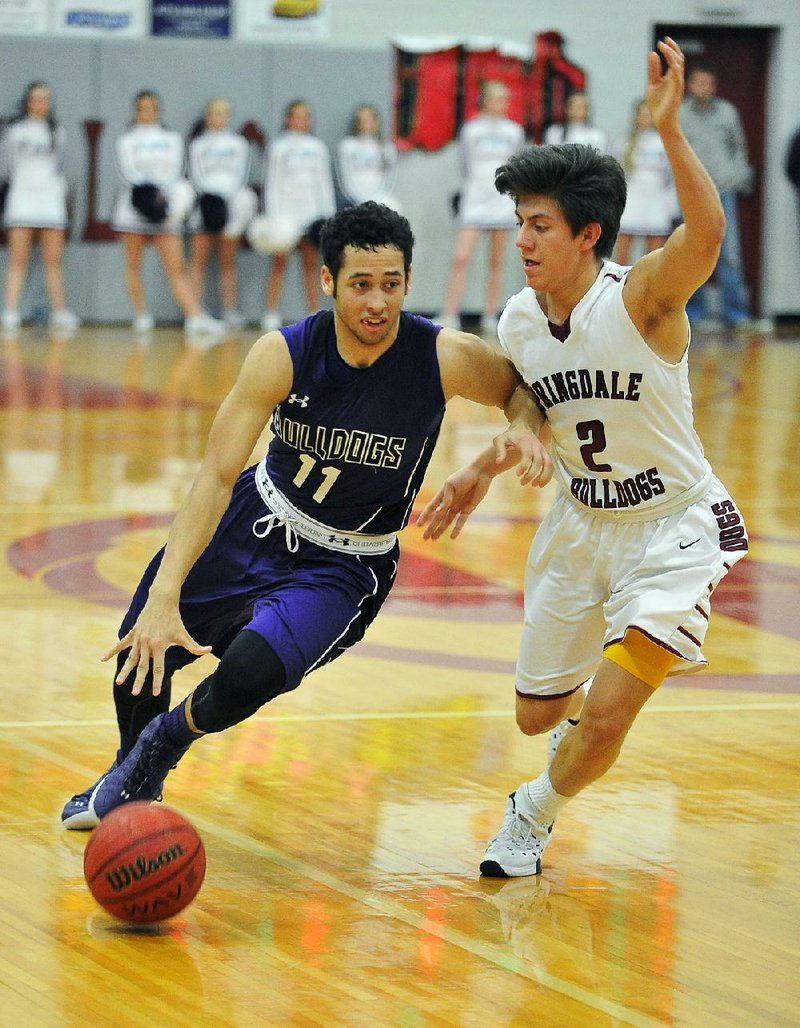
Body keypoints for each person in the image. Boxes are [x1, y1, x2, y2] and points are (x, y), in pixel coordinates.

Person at [59, 200, 552, 830]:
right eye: (361, 285)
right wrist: (164, 591)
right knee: (141, 654)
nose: (378, 302)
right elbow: (214, 476)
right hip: (256, 516)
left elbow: (521, 390)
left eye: (392, 284)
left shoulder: (441, 355)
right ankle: (131, 784)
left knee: (247, 673)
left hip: (346, 562)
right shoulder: (283, 353)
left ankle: (161, 748)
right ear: (327, 281)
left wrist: (514, 440)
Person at [418, 38, 749, 877]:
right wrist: (492, 459)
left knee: (606, 715)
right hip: (580, 524)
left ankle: (532, 815)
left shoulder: (640, 298)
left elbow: (705, 234)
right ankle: (567, 743)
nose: (522, 240)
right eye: (518, 223)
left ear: (587, 233)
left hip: (673, 525)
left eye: (539, 226)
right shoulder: (520, 320)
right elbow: (535, 399)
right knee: (539, 716)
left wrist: (669, 134)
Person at [112, 90, 225, 341]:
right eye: (143, 107)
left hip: (164, 210)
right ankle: (141, 315)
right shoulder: (126, 140)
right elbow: (126, 172)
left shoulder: (172, 139)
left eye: (153, 106)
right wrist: (145, 196)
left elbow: (177, 170)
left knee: (177, 266)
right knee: (133, 265)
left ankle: (195, 316)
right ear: (136, 111)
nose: (148, 111)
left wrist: (164, 199)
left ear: (158, 109)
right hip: (134, 209)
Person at [436, 81, 525, 336]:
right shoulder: (471, 130)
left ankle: (489, 314)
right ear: (484, 100)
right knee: (460, 258)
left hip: (502, 201)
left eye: (504, 99)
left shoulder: (514, 131)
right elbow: (463, 165)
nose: (500, 103)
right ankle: (450, 313)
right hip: (475, 200)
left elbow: (516, 165)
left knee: (496, 262)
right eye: (495, 98)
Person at [680, 63, 755, 331]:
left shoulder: (727, 113)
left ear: (714, 86)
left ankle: (736, 314)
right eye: (699, 82)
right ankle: (693, 313)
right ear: (689, 85)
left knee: (729, 254)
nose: (704, 88)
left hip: (722, 191)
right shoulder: (680, 114)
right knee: (691, 253)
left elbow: (739, 149)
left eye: (708, 83)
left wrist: (737, 176)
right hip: (690, 193)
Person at [0, 82, 80, 333]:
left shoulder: (57, 132)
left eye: (45, 98)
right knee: (18, 259)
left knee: (53, 260)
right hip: (22, 198)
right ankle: (10, 311)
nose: (40, 103)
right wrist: (25, 184)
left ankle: (59, 311)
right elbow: (6, 167)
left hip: (50, 201)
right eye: (35, 98)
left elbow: (57, 165)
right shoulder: (14, 131)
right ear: (27, 101)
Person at [260, 99, 336, 332]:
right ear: (288, 118)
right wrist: (275, 216)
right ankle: (271, 312)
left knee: (311, 263)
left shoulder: (317, 147)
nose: (301, 120)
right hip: (286, 214)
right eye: (296, 116)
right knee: (279, 263)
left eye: (305, 116)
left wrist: (328, 216)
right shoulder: (279, 147)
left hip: (311, 214)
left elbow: (324, 182)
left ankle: (313, 311)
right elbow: (272, 183)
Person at [186, 98, 258, 330]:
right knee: (198, 262)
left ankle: (230, 311)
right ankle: (194, 313)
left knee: (228, 263)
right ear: (208, 116)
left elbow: (241, 175)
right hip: (205, 206)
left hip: (230, 207)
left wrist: (227, 200)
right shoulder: (198, 144)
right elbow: (195, 175)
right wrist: (210, 198)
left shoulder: (239, 144)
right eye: (215, 113)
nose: (220, 117)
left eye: (224, 113)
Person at [614, 98, 676, 265]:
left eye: (649, 115)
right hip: (631, 201)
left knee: (655, 257)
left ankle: (650, 291)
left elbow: (670, 178)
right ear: (636, 117)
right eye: (642, 114)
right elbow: (618, 175)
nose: (646, 118)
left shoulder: (665, 143)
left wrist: (670, 206)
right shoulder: (624, 143)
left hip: (656, 201)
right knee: (622, 256)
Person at [335, 103, 398, 208]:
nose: (366, 123)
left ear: (377, 121)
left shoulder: (387, 148)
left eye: (370, 119)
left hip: (381, 200)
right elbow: (345, 180)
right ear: (356, 123)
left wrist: (378, 199)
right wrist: (360, 200)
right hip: (354, 201)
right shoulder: (347, 146)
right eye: (362, 120)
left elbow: (390, 178)